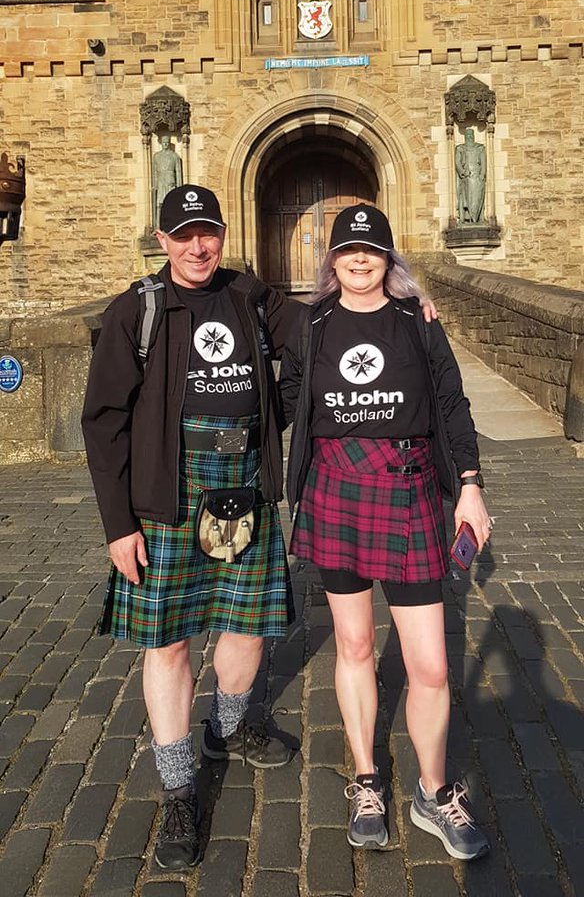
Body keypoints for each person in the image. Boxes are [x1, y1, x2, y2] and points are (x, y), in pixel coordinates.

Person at [82, 184, 301, 871]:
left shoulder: (252, 298)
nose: (197, 245)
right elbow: (103, 422)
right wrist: (119, 525)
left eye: (207, 232)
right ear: (162, 238)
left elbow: (323, 335)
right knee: (170, 644)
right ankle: (180, 789)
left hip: (245, 484)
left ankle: (228, 730)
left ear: (221, 232)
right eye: (183, 235)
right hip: (167, 495)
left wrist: (405, 307)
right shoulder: (137, 311)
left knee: (247, 626)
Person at [280, 203, 492, 860]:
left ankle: (433, 792)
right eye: (349, 250)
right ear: (333, 259)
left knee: (428, 665)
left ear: (389, 258)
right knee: (353, 645)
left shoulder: (417, 324)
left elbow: (452, 402)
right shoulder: (311, 324)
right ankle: (368, 780)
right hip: (336, 489)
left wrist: (472, 486)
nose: (361, 260)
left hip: (406, 487)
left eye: (372, 250)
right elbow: (281, 397)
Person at [455, 128, 486, 224]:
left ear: (473, 136)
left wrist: (482, 175)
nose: (469, 137)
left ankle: (478, 217)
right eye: (467, 135)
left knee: (477, 198)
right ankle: (464, 218)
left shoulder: (479, 148)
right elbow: (458, 162)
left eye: (471, 135)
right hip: (466, 177)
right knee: (464, 197)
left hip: (477, 176)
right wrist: (463, 172)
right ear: (465, 137)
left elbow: (483, 163)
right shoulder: (460, 148)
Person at [152, 134, 183, 227]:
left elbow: (178, 171)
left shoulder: (175, 156)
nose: (165, 144)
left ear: (169, 143)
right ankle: (158, 225)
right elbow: (155, 171)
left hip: (170, 181)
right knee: (160, 204)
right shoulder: (156, 156)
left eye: (167, 142)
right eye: (164, 143)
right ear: (161, 143)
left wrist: (179, 186)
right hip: (161, 181)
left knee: (172, 202)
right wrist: (155, 184)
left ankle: (173, 223)